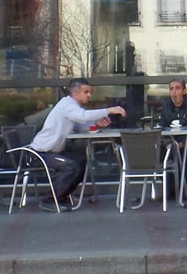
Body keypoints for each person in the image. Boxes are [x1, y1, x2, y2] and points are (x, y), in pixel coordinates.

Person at [28, 78, 127, 210]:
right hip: (39, 154)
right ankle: (49, 200)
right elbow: (83, 116)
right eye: (86, 92)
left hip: (51, 152)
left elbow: (79, 124)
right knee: (71, 166)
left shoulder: (70, 106)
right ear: (75, 93)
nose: (89, 95)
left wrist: (95, 124)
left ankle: (62, 195)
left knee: (81, 163)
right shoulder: (67, 105)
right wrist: (109, 110)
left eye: (90, 92)